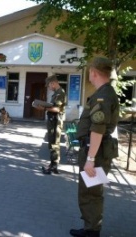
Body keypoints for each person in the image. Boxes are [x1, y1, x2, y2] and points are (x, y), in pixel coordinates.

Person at [70, 57, 119, 237]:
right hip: (96, 151)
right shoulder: (106, 93)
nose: (89, 75)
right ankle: (90, 228)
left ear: (94, 72)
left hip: (95, 153)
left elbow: (98, 129)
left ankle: (91, 231)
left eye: (89, 72)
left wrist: (90, 159)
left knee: (90, 192)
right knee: (91, 191)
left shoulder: (102, 95)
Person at [40, 75, 66, 175]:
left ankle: (53, 166)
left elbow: (57, 109)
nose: (49, 88)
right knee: (52, 143)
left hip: (56, 121)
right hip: (52, 121)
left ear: (53, 83)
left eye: (49, 86)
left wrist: (44, 108)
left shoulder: (60, 93)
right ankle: (52, 165)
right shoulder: (56, 93)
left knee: (54, 144)